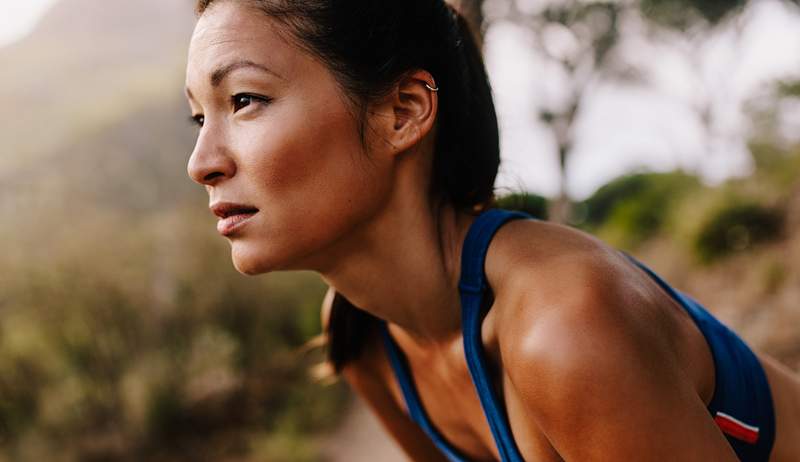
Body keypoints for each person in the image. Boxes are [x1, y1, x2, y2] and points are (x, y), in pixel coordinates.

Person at [183, 0, 800, 460]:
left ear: (404, 112)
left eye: (243, 100)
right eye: (197, 116)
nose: (201, 162)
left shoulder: (563, 326)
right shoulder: (364, 340)